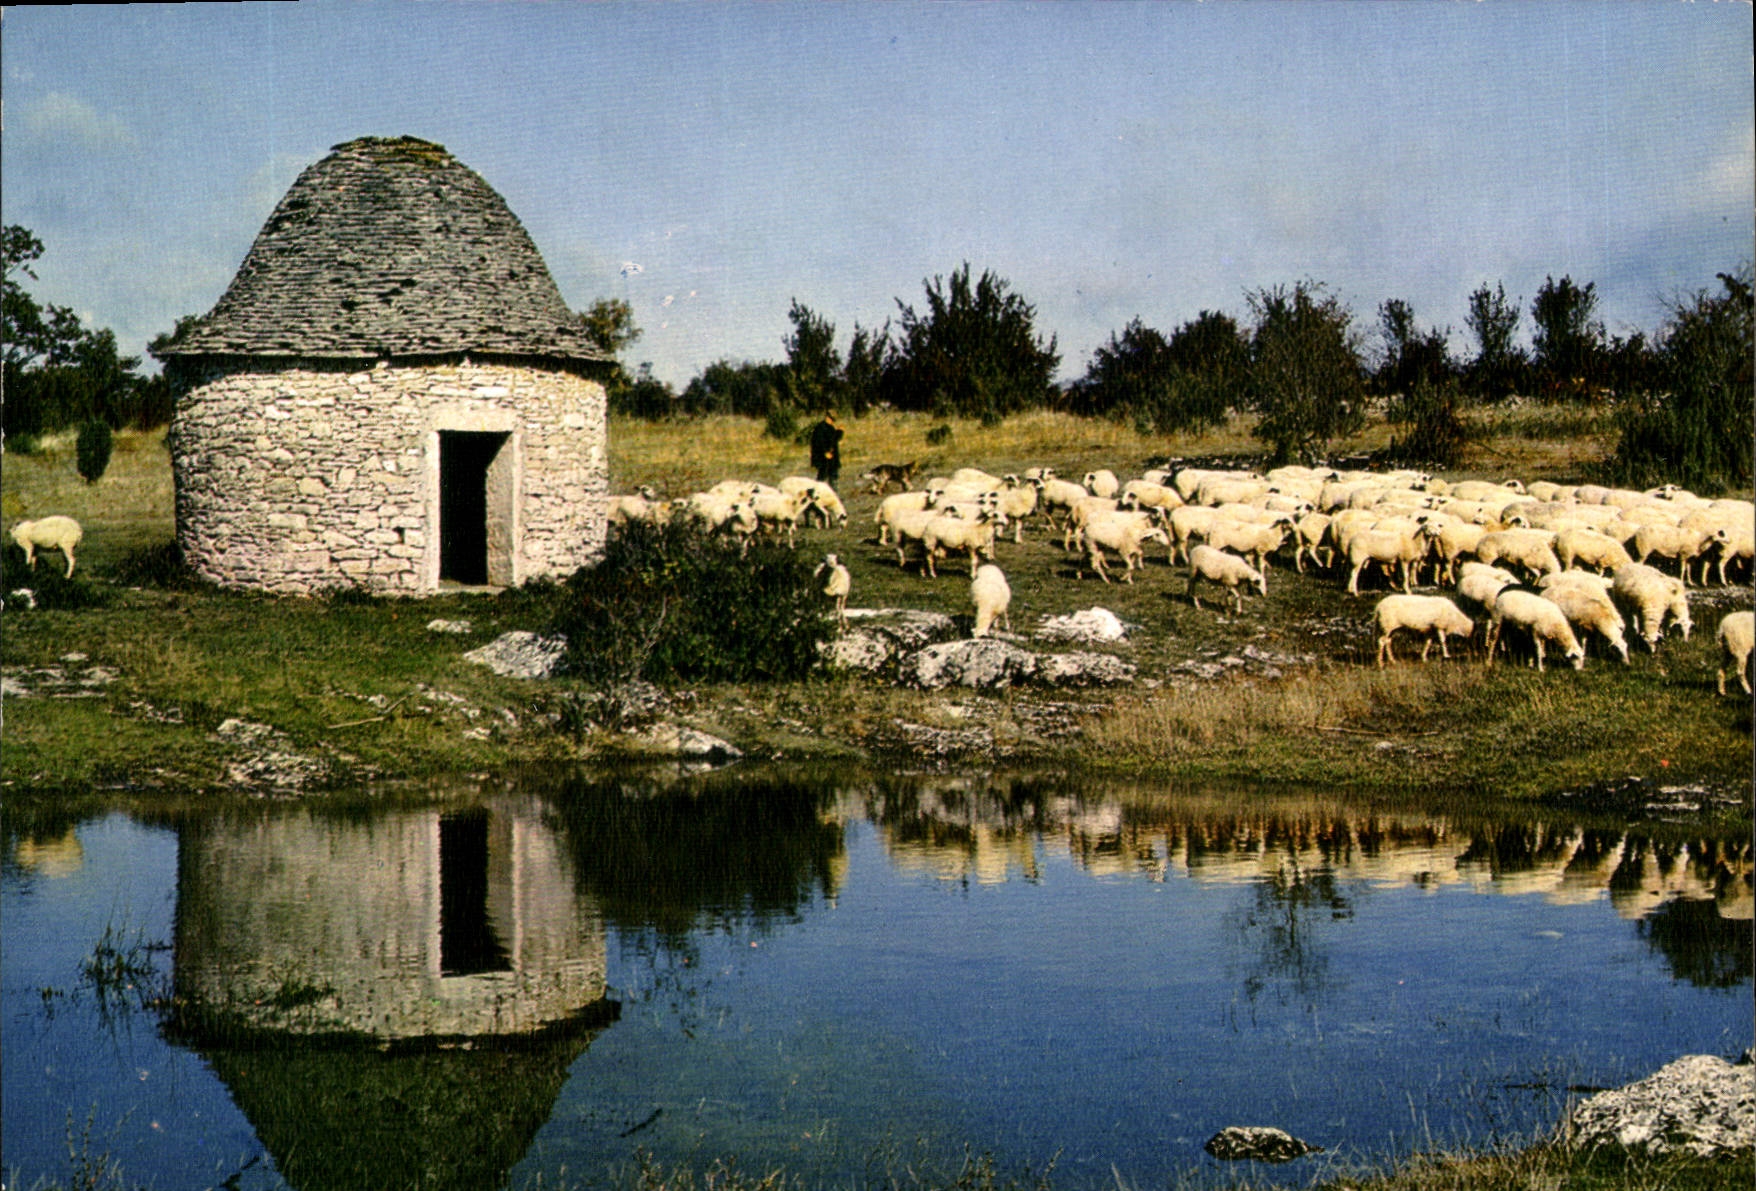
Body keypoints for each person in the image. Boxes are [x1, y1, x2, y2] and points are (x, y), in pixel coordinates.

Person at [808, 410, 844, 489]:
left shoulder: (830, 428)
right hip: (824, 459)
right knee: (821, 479)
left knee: (833, 479)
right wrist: (824, 452)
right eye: (832, 419)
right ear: (827, 417)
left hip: (832, 459)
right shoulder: (820, 428)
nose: (832, 421)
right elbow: (817, 443)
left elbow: (833, 440)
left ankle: (833, 497)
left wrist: (840, 432)